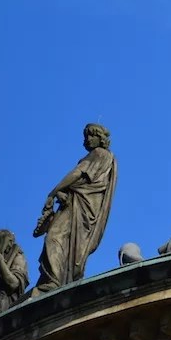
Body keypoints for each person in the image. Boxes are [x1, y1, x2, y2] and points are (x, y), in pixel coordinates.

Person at [32, 123, 117, 295]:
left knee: (54, 236)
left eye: (91, 136)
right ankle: (59, 278)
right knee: (66, 243)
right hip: (83, 205)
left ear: (100, 138)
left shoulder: (98, 154)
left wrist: (53, 191)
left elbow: (78, 173)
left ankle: (54, 281)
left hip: (80, 205)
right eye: (85, 136)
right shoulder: (105, 157)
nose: (87, 139)